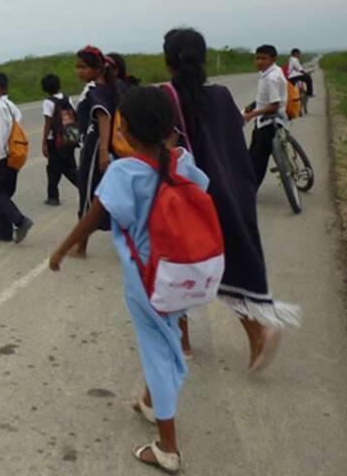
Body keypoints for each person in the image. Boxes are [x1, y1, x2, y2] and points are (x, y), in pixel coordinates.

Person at [50, 86, 208, 473]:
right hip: (182, 271)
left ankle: (167, 446)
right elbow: (203, 190)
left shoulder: (125, 170)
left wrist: (61, 250)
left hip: (146, 276)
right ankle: (151, 402)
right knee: (166, 334)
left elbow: (92, 215)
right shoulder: (182, 162)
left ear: (126, 132)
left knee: (157, 349)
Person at [163, 28, 301, 370]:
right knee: (227, 267)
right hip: (228, 194)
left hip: (189, 199)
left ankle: (182, 343)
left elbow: (165, 153)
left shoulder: (167, 98)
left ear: (168, 60)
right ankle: (256, 335)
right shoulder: (223, 95)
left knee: (173, 269)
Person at [73, 45, 118, 256]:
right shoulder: (107, 88)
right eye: (77, 67)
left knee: (88, 196)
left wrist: (101, 152)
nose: (79, 71)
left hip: (93, 152)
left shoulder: (96, 92)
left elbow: (104, 118)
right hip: (93, 148)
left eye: (83, 67)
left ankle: (81, 247)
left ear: (97, 69)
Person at [0, 72, 34, 243]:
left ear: (3, 89)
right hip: (13, 155)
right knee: (4, 193)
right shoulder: (11, 106)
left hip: (2, 156)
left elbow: (0, 135)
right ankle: (4, 231)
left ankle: (20, 221)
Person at [243, 44, 288, 189]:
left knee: (258, 160)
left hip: (270, 122)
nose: (260, 61)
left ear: (273, 59)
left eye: (264, 58)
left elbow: (274, 105)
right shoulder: (270, 73)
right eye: (257, 58)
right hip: (262, 121)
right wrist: (252, 106)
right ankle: (247, 185)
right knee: (252, 154)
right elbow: (265, 98)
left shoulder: (271, 78)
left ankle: (250, 190)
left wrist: (252, 114)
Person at [40, 74, 78, 206]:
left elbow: (48, 123)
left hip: (55, 140)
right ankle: (52, 195)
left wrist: (44, 142)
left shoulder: (48, 102)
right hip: (70, 136)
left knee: (65, 169)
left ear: (45, 89)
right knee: (55, 168)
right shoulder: (68, 99)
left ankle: (87, 189)